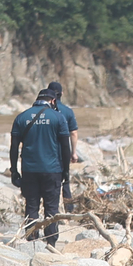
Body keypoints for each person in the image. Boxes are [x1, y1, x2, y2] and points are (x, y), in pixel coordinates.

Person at [10, 89, 71, 247]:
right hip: (52, 170)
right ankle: (51, 243)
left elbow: (14, 147)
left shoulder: (21, 117)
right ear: (52, 101)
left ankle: (31, 242)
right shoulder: (59, 117)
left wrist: (14, 170)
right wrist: (66, 171)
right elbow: (66, 147)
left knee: (31, 205)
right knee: (51, 208)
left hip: (29, 170)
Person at [46, 81, 79, 212]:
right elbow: (74, 133)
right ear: (62, 93)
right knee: (65, 181)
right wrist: (74, 152)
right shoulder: (68, 111)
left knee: (49, 183)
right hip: (62, 152)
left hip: (48, 151)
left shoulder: (44, 111)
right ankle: (69, 210)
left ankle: (51, 210)